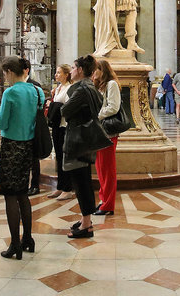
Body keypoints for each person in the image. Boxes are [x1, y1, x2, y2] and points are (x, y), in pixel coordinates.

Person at [0, 56, 38, 259]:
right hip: (28, 145)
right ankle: (27, 238)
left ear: (11, 72)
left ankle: (15, 244)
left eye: (5, 73)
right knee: (22, 193)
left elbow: (2, 123)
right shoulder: (35, 90)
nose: (5, 77)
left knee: (10, 195)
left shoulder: (10, 92)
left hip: (11, 145)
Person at [62, 55, 106, 239]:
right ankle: (84, 219)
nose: (71, 71)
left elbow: (65, 110)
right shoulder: (90, 87)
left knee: (81, 182)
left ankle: (87, 224)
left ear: (80, 70)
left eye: (74, 68)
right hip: (84, 138)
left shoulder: (82, 89)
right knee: (83, 179)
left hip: (79, 139)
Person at [93, 59, 121, 216]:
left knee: (107, 169)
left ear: (103, 70)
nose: (94, 73)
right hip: (100, 131)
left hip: (109, 132)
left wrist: (96, 115)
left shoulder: (112, 84)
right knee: (100, 167)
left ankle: (108, 204)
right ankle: (103, 200)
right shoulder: (100, 86)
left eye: (96, 70)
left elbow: (113, 107)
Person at [47, 64, 73, 201]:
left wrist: (54, 106)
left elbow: (67, 107)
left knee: (64, 157)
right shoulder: (58, 88)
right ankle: (60, 186)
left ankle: (67, 189)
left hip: (64, 126)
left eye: (59, 72)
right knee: (58, 155)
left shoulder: (69, 88)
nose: (56, 75)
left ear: (66, 75)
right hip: (57, 125)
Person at [24, 58, 44, 196]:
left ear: (26, 70)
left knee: (33, 158)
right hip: (21, 128)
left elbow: (39, 107)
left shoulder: (35, 86)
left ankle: (35, 185)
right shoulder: (15, 85)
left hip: (32, 126)